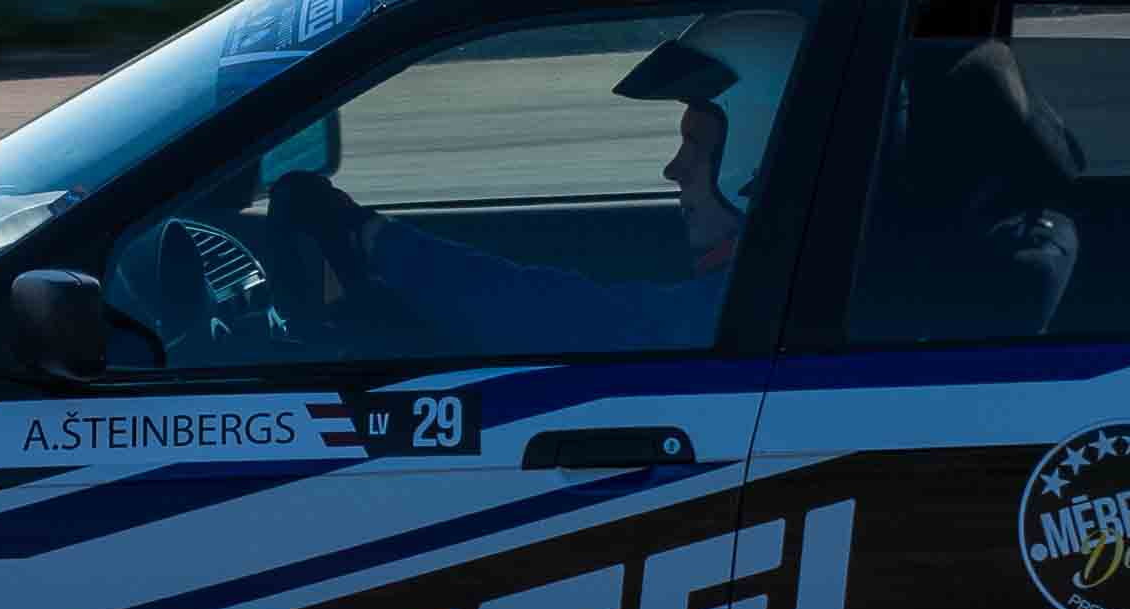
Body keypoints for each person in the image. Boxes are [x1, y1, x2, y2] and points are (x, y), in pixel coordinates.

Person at [256, 20, 785, 359]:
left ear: (757, 149)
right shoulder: (768, 291)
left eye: (696, 146)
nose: (674, 169)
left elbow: (574, 322)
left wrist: (375, 240)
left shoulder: (751, 307)